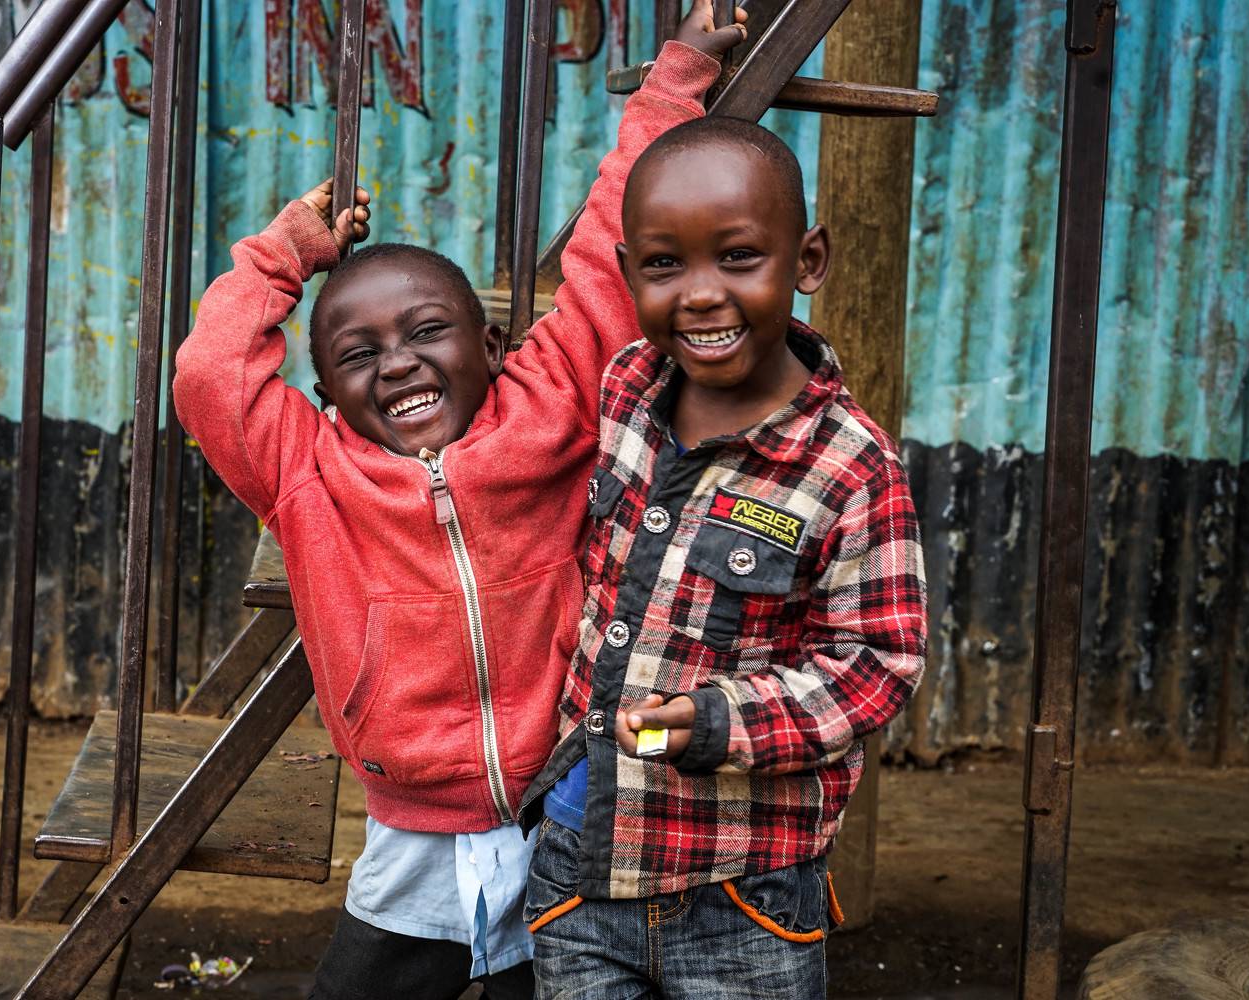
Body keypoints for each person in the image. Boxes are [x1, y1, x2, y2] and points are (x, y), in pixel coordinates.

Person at [171, 6, 746, 997]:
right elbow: (208, 375)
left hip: (561, 807)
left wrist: (676, 78)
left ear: (491, 349)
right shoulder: (309, 471)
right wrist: (284, 253)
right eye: (358, 354)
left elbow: (609, 246)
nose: (396, 363)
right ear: (326, 392)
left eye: (426, 332)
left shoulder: (550, 408)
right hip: (413, 838)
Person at [518, 107, 930, 998]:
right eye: (665, 265)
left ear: (807, 261)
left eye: (738, 257)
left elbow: (876, 664)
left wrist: (719, 721)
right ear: (629, 272)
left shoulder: (851, 465)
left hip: (742, 889)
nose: (700, 294)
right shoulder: (627, 390)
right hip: (579, 862)